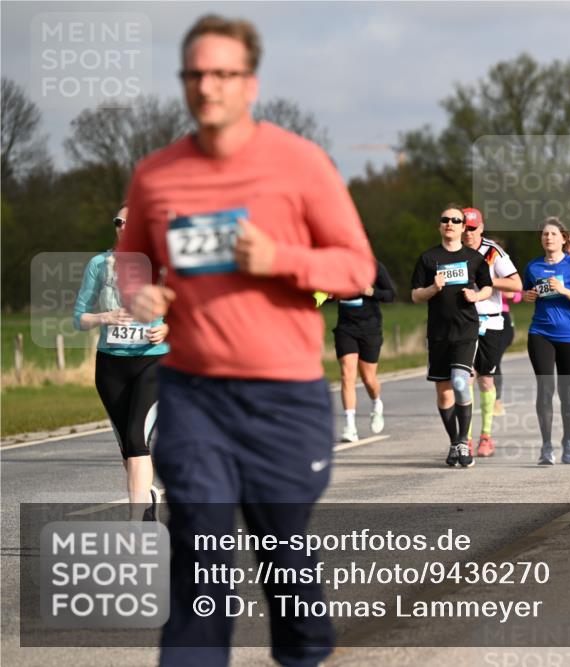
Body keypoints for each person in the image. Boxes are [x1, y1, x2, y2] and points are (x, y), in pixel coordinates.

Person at [116, 14, 376, 667]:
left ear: (249, 83)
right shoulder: (157, 174)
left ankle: (305, 644)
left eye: (222, 74)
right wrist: (139, 291)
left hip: (283, 400)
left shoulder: (300, 164)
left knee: (281, 549)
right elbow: (130, 259)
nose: (208, 86)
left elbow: (356, 268)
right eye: (195, 74)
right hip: (193, 395)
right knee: (200, 549)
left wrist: (282, 258)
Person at [74, 206, 169, 521]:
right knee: (128, 450)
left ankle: (135, 527)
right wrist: (105, 316)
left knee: (136, 438)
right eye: (119, 222)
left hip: (152, 363)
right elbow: (79, 317)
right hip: (110, 367)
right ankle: (147, 498)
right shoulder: (99, 265)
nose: (124, 226)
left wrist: (168, 327)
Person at [412, 205, 493, 468]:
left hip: (466, 330)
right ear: (440, 226)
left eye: (455, 220)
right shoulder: (428, 258)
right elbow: (415, 295)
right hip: (438, 334)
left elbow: (488, 287)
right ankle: (455, 442)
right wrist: (432, 289)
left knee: (461, 382)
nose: (450, 223)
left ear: (462, 227)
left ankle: (462, 440)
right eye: (445, 219)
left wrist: (476, 295)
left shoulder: (474, 258)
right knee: (445, 393)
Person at [523, 217, 570, 464]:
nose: (548, 238)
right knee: (545, 389)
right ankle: (546, 446)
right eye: (544, 234)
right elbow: (525, 294)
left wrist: (564, 290)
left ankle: (568, 440)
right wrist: (529, 296)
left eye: (553, 234)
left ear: (564, 239)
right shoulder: (532, 267)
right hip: (540, 333)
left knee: (567, 393)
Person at [461, 207, 521, 457]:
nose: (468, 234)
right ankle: (466, 438)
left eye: (473, 229)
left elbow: (516, 284)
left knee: (485, 379)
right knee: (465, 379)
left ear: (481, 228)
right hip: (463, 322)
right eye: (464, 228)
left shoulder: (493, 252)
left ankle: (486, 436)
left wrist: (485, 279)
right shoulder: (452, 251)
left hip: (491, 322)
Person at [320, 260, 395, 443]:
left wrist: (371, 292)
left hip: (370, 328)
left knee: (369, 378)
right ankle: (350, 426)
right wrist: (328, 295)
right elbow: (329, 292)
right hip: (346, 328)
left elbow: (391, 295)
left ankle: (377, 403)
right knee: (347, 374)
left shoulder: (375, 267)